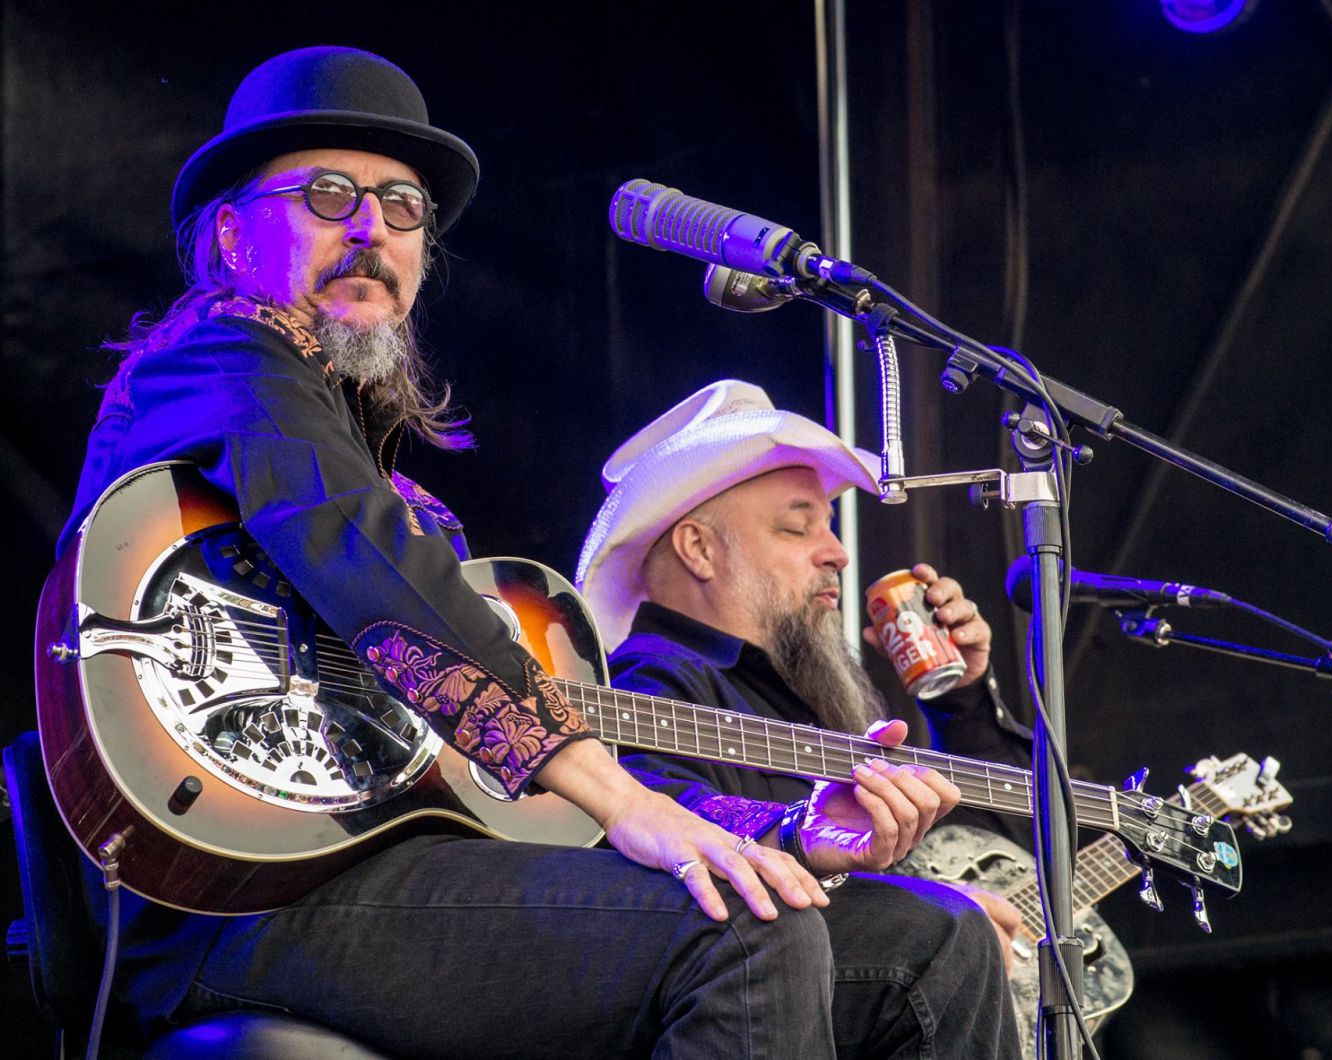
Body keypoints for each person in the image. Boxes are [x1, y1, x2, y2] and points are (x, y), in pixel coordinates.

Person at [61, 46, 1014, 1058]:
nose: (371, 230)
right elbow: (361, 555)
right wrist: (627, 800)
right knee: (742, 932)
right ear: (227, 233)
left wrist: (784, 833)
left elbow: (494, 783)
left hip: (408, 866)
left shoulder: (382, 474)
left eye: (403, 207)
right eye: (328, 195)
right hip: (244, 890)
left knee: (935, 937)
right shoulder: (225, 363)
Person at [574, 380, 1037, 960]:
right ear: (699, 550)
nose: (838, 552)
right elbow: (662, 817)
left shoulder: (797, 689)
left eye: (830, 525)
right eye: (797, 528)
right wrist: (914, 904)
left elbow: (1013, 856)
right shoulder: (649, 678)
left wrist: (960, 699)